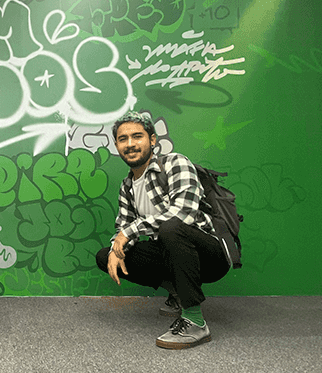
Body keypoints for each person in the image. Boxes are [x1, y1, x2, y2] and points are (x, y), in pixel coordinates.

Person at [95, 110, 231, 349]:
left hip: (210, 255)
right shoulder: (127, 186)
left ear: (152, 140)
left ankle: (195, 321)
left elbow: (183, 214)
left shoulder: (175, 163)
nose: (130, 144)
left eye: (137, 136)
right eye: (123, 139)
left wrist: (127, 233)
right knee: (106, 256)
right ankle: (177, 292)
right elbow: (124, 226)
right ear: (117, 146)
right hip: (172, 251)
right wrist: (117, 247)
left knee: (172, 227)